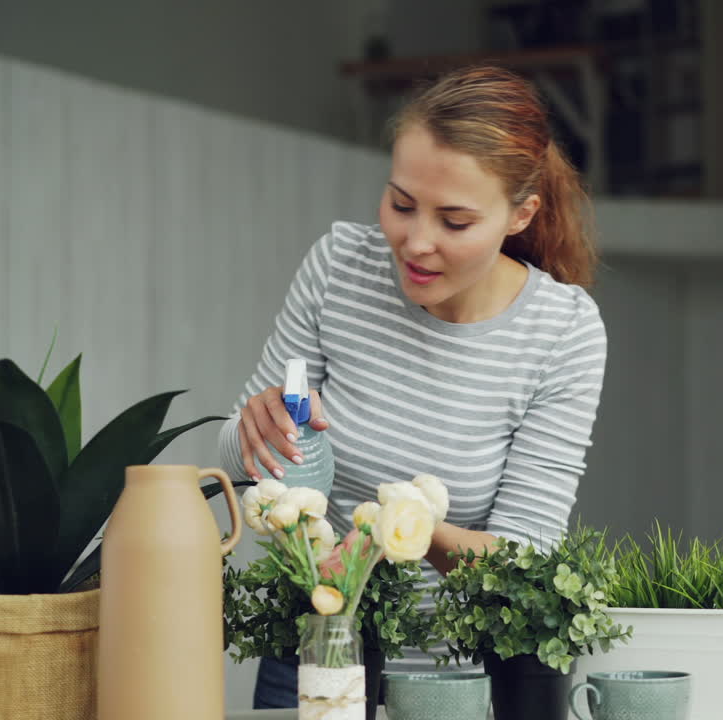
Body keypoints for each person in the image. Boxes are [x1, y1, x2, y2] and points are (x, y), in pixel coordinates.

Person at [216, 65, 607, 709]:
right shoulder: (340, 266)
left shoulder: (560, 331)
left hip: (458, 682)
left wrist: (404, 529)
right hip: (318, 648)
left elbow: (524, 562)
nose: (416, 242)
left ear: (520, 214)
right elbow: (239, 466)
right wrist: (254, 430)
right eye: (401, 204)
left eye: (454, 222)